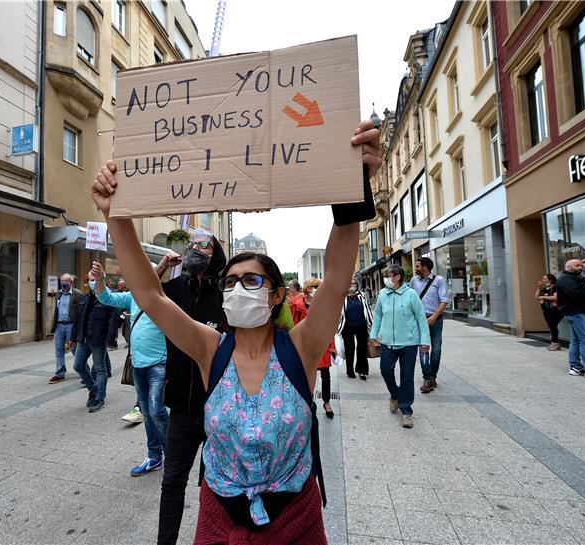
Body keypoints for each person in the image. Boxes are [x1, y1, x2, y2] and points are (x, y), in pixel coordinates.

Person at [89, 119, 381, 542]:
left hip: (295, 523)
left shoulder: (300, 348)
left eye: (251, 280)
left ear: (278, 295)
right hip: (219, 520)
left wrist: (354, 187)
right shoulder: (211, 349)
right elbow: (151, 297)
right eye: (230, 281)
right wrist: (114, 214)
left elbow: (336, 276)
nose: (237, 288)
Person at [153, 230, 228, 545]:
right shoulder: (177, 288)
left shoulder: (224, 291)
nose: (196, 248)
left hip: (219, 407)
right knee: (172, 482)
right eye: (193, 244)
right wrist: (161, 268)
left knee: (220, 485)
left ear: (215, 255)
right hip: (182, 408)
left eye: (204, 245)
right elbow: (147, 294)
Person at [92, 261, 169, 477]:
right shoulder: (132, 297)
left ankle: (173, 452)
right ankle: (154, 457)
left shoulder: (163, 297)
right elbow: (105, 297)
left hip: (159, 363)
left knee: (156, 410)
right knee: (146, 412)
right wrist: (99, 279)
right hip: (138, 364)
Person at [370, 265, 430, 429]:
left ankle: (406, 412)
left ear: (397, 277)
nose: (386, 279)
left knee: (407, 376)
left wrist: (425, 341)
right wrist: (373, 335)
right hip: (387, 341)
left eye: (389, 276)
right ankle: (395, 395)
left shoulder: (411, 294)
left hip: (409, 343)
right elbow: (378, 316)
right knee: (385, 370)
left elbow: (421, 319)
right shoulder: (383, 294)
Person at [289, 277, 335, 419]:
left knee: (326, 375)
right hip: (305, 345)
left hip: (321, 343)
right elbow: (292, 326)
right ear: (307, 289)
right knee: (306, 375)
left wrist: (332, 345)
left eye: (318, 287)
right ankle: (308, 402)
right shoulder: (296, 305)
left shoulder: (324, 305)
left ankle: (326, 402)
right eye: (313, 287)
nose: (316, 290)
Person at [70, 270, 114, 411]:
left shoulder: (109, 298)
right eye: (91, 280)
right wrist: (72, 337)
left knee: (100, 369)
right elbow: (77, 319)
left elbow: (112, 322)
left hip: (98, 340)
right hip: (83, 338)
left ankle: (99, 398)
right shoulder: (84, 298)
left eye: (95, 279)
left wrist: (110, 340)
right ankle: (93, 389)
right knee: (78, 365)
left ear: (102, 280)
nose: (93, 283)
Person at [409, 256, 448, 393]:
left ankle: (432, 376)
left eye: (417, 266)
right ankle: (427, 378)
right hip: (420, 320)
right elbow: (409, 297)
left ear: (425, 267)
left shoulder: (439, 281)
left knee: (436, 350)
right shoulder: (414, 281)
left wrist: (434, 316)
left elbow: (444, 300)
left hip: (436, 319)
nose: (415, 269)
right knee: (423, 349)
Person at [49, 273, 83, 384]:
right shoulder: (58, 293)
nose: (64, 283)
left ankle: (84, 371)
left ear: (71, 283)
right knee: (59, 349)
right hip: (59, 325)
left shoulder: (77, 294)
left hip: (71, 325)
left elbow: (82, 311)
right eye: (62, 281)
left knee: (74, 349)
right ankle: (60, 373)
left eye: (66, 281)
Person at [336, 283, 373, 380]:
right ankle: (350, 371)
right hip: (347, 327)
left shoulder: (362, 295)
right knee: (349, 349)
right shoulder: (342, 296)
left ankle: (362, 371)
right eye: (350, 283)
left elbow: (368, 310)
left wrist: (372, 324)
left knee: (362, 348)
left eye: (354, 283)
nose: (352, 285)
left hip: (362, 326)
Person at [535, 273, 562, 351]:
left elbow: (556, 297)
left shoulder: (555, 287)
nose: (542, 280)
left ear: (550, 280)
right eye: (542, 279)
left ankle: (555, 343)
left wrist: (544, 297)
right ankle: (554, 342)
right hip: (546, 310)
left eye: (544, 279)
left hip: (554, 310)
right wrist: (539, 288)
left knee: (553, 326)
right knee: (551, 326)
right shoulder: (546, 288)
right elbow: (537, 297)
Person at [107, 279, 128, 351]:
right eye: (118, 285)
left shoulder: (128, 292)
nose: (119, 286)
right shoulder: (116, 293)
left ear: (124, 285)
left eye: (120, 285)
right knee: (114, 329)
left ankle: (129, 342)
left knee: (126, 329)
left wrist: (126, 311)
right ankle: (114, 344)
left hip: (126, 313)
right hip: (117, 314)